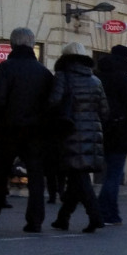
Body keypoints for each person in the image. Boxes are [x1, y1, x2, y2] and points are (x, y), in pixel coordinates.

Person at [0, 27, 53, 233]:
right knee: (36, 176)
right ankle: (35, 221)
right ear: (32, 44)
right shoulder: (44, 72)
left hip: (10, 129)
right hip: (36, 132)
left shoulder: (4, 68)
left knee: (0, 174)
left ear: (12, 44)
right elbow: (50, 104)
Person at [48, 43, 108, 233]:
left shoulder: (63, 76)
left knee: (79, 176)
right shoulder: (95, 80)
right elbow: (105, 111)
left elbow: (53, 101)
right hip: (93, 132)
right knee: (77, 177)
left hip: (70, 131)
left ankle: (96, 216)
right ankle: (62, 219)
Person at [96, 44, 127, 225]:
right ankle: (106, 212)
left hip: (99, 129)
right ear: (125, 59)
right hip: (119, 130)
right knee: (114, 174)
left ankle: (108, 212)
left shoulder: (97, 75)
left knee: (109, 173)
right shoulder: (124, 78)